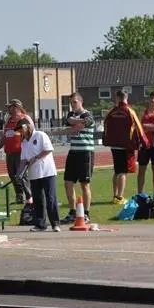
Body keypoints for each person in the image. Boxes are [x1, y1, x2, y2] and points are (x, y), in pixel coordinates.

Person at [102, 89, 148, 205]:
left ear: (117, 98)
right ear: (127, 97)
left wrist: (106, 140)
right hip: (126, 145)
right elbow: (139, 128)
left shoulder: (111, 111)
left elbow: (105, 125)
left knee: (117, 171)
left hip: (114, 145)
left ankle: (114, 195)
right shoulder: (130, 111)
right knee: (123, 172)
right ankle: (120, 197)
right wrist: (145, 142)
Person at [18, 120, 60, 232]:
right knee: (38, 200)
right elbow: (23, 159)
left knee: (50, 198)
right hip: (34, 174)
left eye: (21, 129)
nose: (20, 132)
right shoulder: (23, 142)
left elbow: (48, 149)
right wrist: (19, 172)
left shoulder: (40, 135)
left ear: (27, 127)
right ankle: (40, 224)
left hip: (47, 171)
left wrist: (35, 158)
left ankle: (55, 223)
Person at [60, 92, 95, 224]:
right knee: (68, 182)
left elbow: (83, 123)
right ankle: (72, 212)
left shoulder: (88, 114)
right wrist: (77, 123)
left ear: (81, 101)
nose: (72, 105)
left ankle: (86, 213)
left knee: (84, 184)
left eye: (74, 102)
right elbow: (69, 122)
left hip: (85, 152)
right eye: (71, 102)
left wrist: (76, 124)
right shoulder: (70, 114)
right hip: (73, 151)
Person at [0, 99, 34, 204]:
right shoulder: (9, 120)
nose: (8, 109)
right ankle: (19, 196)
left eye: (10, 107)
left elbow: (32, 134)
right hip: (9, 152)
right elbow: (5, 136)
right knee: (12, 175)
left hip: (21, 152)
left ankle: (30, 197)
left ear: (16, 107)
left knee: (21, 175)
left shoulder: (25, 118)